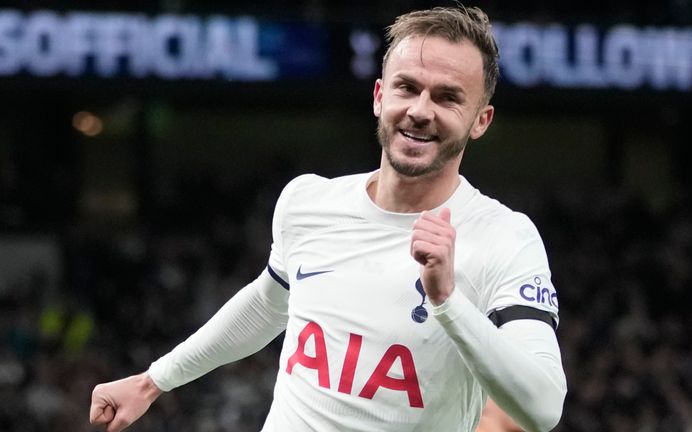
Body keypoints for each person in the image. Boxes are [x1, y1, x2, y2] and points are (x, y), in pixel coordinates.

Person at [89, 6, 567, 432]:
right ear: (380, 95)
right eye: (407, 87)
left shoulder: (506, 238)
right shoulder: (308, 201)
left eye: (447, 98)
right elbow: (267, 304)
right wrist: (154, 381)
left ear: (480, 120)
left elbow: (543, 408)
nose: (420, 111)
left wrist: (448, 300)